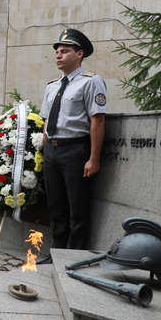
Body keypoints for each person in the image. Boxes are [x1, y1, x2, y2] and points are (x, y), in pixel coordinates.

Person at [41, 29, 107, 250]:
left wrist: (93, 158)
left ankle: (72, 257)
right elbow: (47, 118)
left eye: (65, 51)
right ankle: (56, 252)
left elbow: (97, 121)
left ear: (79, 54)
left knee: (77, 207)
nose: (58, 55)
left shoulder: (91, 82)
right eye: (57, 52)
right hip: (52, 150)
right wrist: (45, 146)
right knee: (56, 206)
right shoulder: (52, 86)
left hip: (75, 150)